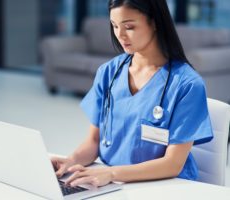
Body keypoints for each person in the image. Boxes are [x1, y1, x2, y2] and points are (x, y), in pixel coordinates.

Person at [51, 0, 213, 187]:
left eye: (129, 27)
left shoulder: (187, 84)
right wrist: (71, 161)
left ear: (154, 22)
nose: (119, 35)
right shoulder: (109, 72)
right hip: (115, 183)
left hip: (166, 185)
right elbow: (94, 140)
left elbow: (173, 164)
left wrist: (111, 173)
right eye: (114, 26)